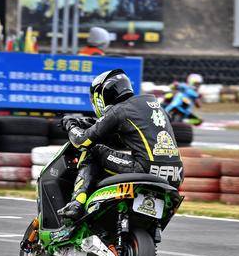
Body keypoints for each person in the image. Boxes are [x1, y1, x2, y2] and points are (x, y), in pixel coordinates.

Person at [58, 69, 184, 220]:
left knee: (94, 151)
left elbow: (81, 141)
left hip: (146, 168)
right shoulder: (155, 106)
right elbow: (123, 133)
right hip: (176, 175)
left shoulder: (119, 110)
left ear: (103, 94)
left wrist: (71, 125)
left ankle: (76, 203)